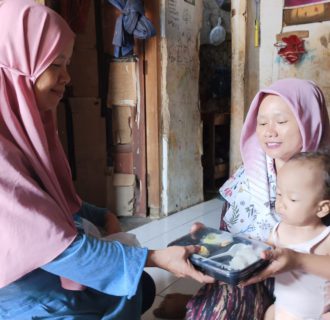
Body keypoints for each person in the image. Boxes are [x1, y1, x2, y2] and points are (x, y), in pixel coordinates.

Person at [0, 1, 214, 319]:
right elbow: (56, 248)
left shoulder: (23, 129)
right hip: (20, 287)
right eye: (55, 65)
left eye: (67, 64)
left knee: (138, 287)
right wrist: (154, 257)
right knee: (126, 295)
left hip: (45, 267)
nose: (67, 78)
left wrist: (103, 214)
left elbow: (47, 201)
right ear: (18, 67)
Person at [183, 78, 330, 320]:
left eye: (281, 121)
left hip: (318, 286)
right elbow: (233, 250)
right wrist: (208, 241)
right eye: (261, 123)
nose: (269, 131)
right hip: (257, 278)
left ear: (309, 122)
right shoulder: (246, 179)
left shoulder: (326, 179)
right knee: (217, 310)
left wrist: (297, 261)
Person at [261, 151, 330, 319]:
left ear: (321, 208)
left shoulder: (325, 237)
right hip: (283, 309)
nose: (280, 203)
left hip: (320, 313)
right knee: (269, 313)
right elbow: (263, 257)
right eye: (278, 194)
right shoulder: (278, 231)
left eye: (292, 199)